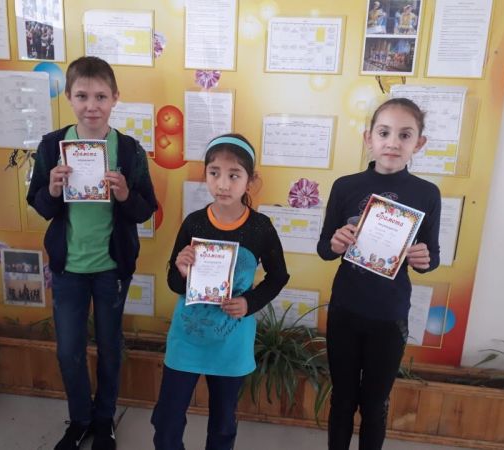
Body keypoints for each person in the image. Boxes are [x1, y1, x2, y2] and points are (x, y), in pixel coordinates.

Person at [27, 56, 158, 450]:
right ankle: (80, 419)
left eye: (101, 96)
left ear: (115, 98)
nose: (91, 105)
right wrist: (52, 189)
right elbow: (39, 203)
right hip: (68, 267)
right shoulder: (52, 145)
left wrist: (125, 194)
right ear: (69, 96)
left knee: (110, 347)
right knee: (69, 350)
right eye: (82, 96)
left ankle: (105, 420)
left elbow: (145, 209)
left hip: (111, 268)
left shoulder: (129, 150)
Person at [151, 134, 290, 450]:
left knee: (223, 423)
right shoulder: (194, 223)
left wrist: (249, 302)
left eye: (234, 175)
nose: (223, 184)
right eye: (214, 173)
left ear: (250, 181)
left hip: (231, 343)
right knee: (167, 420)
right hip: (187, 338)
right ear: (206, 174)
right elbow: (174, 281)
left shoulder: (260, 228)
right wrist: (182, 270)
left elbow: (278, 276)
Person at [317, 98, 441, 450]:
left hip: (389, 316)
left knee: (374, 404)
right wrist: (336, 242)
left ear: (419, 143)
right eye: (384, 133)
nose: (393, 143)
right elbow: (325, 249)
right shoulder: (345, 186)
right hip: (345, 310)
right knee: (342, 399)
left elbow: (431, 258)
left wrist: (422, 258)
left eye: (405, 135)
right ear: (368, 138)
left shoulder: (427, 194)